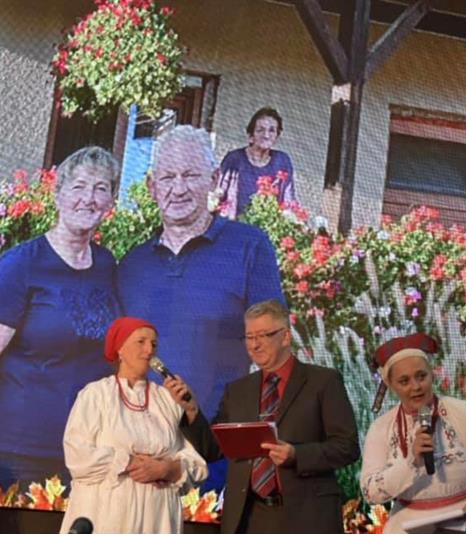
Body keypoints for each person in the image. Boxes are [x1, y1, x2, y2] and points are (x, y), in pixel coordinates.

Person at [117, 125, 286, 488]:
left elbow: (275, 353)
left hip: (218, 456)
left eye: (191, 175)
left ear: (214, 179)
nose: (178, 188)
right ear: (152, 186)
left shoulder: (249, 247)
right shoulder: (132, 265)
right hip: (140, 455)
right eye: (168, 177)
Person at [0, 147, 121, 488]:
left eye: (100, 188)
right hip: (18, 458)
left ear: (110, 202)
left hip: (88, 456)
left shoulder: (107, 266)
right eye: (78, 187)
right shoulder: (21, 265)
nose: (88, 198)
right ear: (58, 195)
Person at [165, 300, 360, 534]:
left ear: (285, 337)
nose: (254, 345)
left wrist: (296, 455)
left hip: (307, 516)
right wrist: (192, 411)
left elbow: (347, 447)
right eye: (249, 337)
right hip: (250, 516)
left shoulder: (323, 382)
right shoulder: (238, 390)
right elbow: (213, 449)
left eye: (263, 336)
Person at [59, 317, 208, 534]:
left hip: (157, 520)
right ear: (120, 349)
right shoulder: (96, 395)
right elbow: (77, 455)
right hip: (106, 516)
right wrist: (128, 462)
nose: (149, 350)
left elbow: (197, 462)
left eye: (154, 344)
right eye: (141, 342)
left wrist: (167, 469)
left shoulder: (167, 400)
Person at [360, 333, 466, 534]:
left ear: (431, 374)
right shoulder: (381, 428)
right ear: (391, 385)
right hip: (409, 527)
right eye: (404, 381)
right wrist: (411, 462)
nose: (416, 387)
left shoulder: (464, 413)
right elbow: (371, 493)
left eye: (421, 376)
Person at [219, 107, 296, 216]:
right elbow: (218, 195)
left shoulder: (282, 161)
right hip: (233, 223)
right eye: (260, 130)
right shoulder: (234, 159)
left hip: (266, 225)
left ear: (277, 137)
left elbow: (288, 201)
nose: (266, 135)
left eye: (272, 130)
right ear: (251, 136)